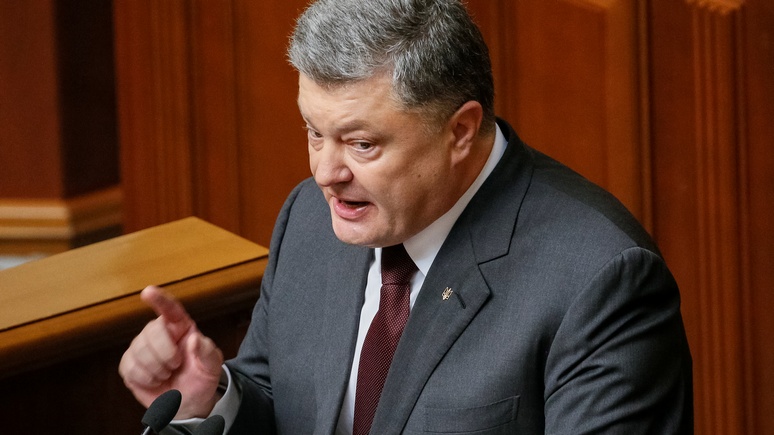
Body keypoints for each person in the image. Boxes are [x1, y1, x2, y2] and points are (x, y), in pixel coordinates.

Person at [119, 0, 693, 433]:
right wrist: (213, 398)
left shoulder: (599, 279)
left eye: (361, 144)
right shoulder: (311, 221)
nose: (325, 172)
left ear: (460, 131)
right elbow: (285, 403)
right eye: (314, 133)